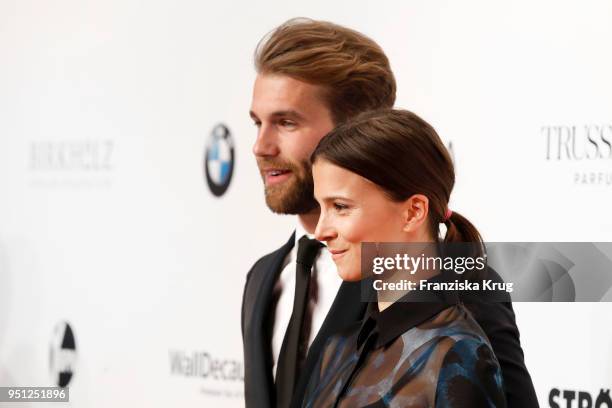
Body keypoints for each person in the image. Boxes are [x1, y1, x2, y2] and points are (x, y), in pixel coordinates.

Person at [242, 18, 537, 408]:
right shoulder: (264, 277)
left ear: (357, 129)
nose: (260, 146)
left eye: (286, 122)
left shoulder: (450, 283)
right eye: (258, 122)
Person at [303, 108, 505, 407]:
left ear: (413, 212)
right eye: (321, 207)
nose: (321, 230)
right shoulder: (337, 348)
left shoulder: (457, 356)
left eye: (341, 207)